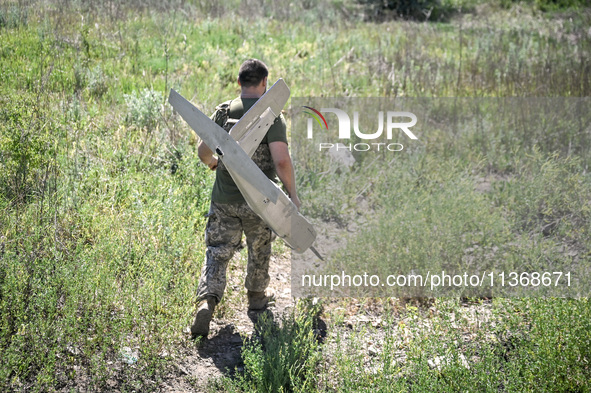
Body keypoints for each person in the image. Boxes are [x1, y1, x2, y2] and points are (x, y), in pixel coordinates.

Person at [191, 59, 300, 338]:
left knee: (217, 252)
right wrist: (292, 195)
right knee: (260, 248)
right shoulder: (272, 115)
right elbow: (282, 161)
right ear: (265, 83)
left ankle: (207, 301)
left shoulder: (224, 112)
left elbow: (203, 150)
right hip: (259, 202)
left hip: (224, 199)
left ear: (239, 83)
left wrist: (213, 163)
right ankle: (256, 298)